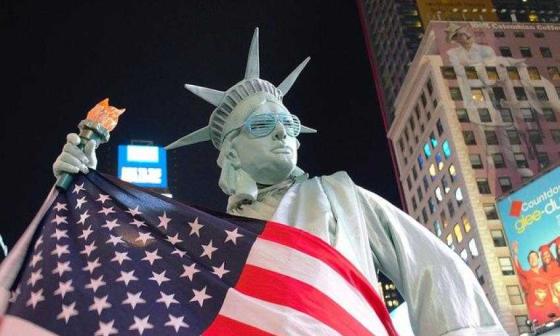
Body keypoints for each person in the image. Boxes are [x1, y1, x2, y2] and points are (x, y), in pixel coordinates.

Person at [52, 28, 506, 335]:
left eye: (288, 123)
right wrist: (80, 186)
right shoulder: (208, 237)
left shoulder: (340, 197)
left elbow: (435, 269)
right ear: (230, 151)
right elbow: (133, 278)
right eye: (262, 127)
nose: (284, 135)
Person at [512, 241, 558, 323]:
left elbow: (551, 283)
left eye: (534, 257)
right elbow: (518, 269)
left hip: (550, 306)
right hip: (536, 309)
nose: (533, 259)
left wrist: (554, 297)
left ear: (538, 259)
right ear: (529, 261)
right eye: (530, 258)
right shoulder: (526, 274)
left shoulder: (544, 272)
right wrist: (515, 254)